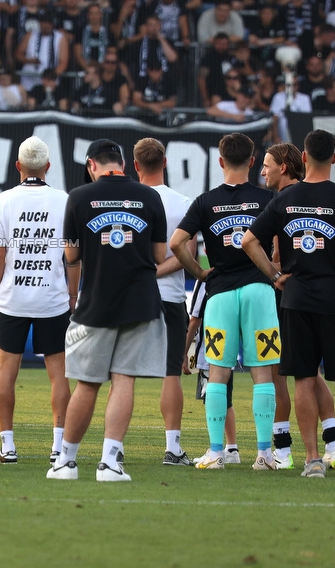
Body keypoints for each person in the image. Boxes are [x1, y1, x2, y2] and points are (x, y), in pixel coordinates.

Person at [242, 129, 335, 479]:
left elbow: (248, 241)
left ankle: (312, 461)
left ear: (303, 158)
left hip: (295, 299)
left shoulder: (283, 200)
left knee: (303, 379)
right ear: (334, 158)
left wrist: (275, 276)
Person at [47, 139, 168, 482]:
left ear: (91, 165)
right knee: (124, 380)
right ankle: (110, 463)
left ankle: (65, 462)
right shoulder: (150, 197)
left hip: (96, 301)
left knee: (87, 384)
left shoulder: (80, 197)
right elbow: (160, 256)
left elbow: (71, 256)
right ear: (124, 165)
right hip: (140, 301)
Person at [171, 133, 279, 471]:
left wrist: (200, 273)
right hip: (260, 291)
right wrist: (274, 271)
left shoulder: (205, 202)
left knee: (217, 374)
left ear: (220, 161)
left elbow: (177, 243)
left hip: (218, 295)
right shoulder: (268, 198)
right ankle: (264, 454)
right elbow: (277, 244)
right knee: (263, 374)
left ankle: (217, 452)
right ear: (251, 161)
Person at [0, 136, 75, 465]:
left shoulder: (4, 200)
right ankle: (59, 447)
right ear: (48, 167)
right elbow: (72, 255)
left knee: (6, 374)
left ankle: (8, 447)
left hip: (12, 300)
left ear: (18, 166)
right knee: (59, 375)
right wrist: (72, 295)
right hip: (53, 300)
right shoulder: (64, 200)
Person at [259, 143, 335, 470]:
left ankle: (282, 450)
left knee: (284, 371)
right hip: (319, 293)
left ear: (285, 166)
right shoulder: (309, 196)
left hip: (287, 295)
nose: (263, 171)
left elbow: (279, 256)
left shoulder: (285, 200)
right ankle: (333, 443)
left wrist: (266, 269)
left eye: (267, 165)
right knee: (312, 373)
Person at [134, 138, 195, 466]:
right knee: (172, 372)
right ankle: (173, 448)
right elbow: (189, 254)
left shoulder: (127, 199)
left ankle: (114, 447)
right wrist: (158, 271)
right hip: (170, 296)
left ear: (136, 165)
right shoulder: (183, 202)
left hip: (131, 296)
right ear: (166, 162)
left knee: (122, 373)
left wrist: (143, 274)